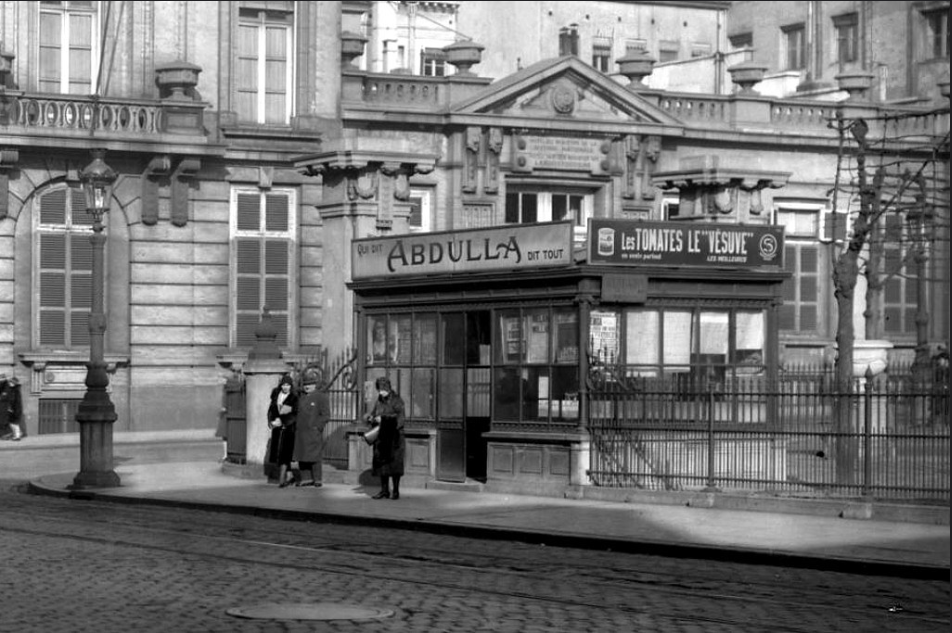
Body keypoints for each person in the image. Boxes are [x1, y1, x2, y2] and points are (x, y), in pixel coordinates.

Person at [365, 376, 406, 500]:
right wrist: (370, 418)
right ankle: (384, 491)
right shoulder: (379, 400)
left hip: (394, 438)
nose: (381, 392)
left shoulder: (397, 400)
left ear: (388, 388)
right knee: (382, 466)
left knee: (394, 465)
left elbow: (401, 419)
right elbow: (374, 413)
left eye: (383, 389)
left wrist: (383, 419)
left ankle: (396, 491)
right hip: (382, 439)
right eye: (379, 389)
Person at [293, 368, 331, 487]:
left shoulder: (321, 397)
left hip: (313, 431)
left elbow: (326, 415)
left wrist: (317, 427)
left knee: (314, 457)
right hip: (301, 431)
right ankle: (306, 478)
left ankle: (317, 479)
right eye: (305, 385)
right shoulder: (300, 397)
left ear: (315, 385)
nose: (307, 387)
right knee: (302, 455)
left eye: (310, 384)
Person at [267, 374, 299, 488]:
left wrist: (284, 421)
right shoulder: (276, 395)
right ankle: (289, 476)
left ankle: (282, 479)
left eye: (288, 385)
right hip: (277, 428)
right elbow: (271, 409)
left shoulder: (294, 398)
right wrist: (271, 421)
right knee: (278, 453)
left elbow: (295, 414)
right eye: (284, 385)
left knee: (285, 453)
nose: (286, 387)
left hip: (288, 429)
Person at [0, 373, 23, 441]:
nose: (11, 384)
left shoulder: (15, 391)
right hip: (8, 409)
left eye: (13, 383)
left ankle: (17, 435)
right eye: (11, 382)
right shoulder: (7, 388)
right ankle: (17, 434)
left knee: (13, 422)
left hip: (13, 409)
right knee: (11, 422)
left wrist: (12, 409)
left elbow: (16, 401)